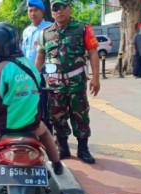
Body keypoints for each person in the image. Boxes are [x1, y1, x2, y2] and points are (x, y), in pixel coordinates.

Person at [0, 22, 63, 194]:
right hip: (32, 127)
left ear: (4, 44)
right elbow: (38, 89)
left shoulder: (0, 69)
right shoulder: (29, 64)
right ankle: (57, 164)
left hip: (5, 129)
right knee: (48, 137)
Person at [35, 0, 100, 164]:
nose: (59, 11)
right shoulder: (45, 33)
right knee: (57, 116)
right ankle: (63, 147)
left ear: (70, 8)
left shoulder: (83, 28)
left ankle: (83, 149)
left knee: (81, 116)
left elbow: (93, 52)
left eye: (63, 7)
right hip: (54, 85)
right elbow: (40, 56)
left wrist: (96, 78)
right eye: (55, 8)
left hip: (76, 82)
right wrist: (34, 77)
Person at [21, 0, 53, 132]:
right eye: (30, 10)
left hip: (44, 75)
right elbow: (23, 53)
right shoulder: (27, 31)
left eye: (35, 10)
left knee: (46, 108)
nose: (32, 13)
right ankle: (35, 134)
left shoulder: (50, 28)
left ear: (42, 11)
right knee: (31, 107)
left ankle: (49, 136)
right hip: (28, 76)